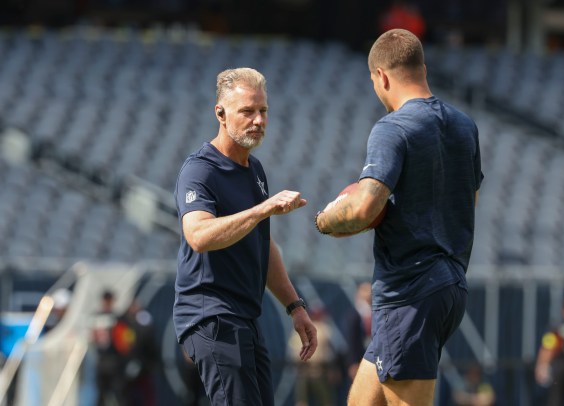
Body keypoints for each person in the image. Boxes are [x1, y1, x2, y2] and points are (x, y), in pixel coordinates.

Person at [314, 28, 483, 406]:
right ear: (422, 68)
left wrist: (324, 219)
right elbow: (467, 202)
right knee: (360, 402)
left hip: (410, 291)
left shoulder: (392, 128)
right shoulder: (464, 126)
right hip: (449, 284)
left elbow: (362, 208)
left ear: (382, 77)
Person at [173, 67, 318, 406]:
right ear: (220, 114)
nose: (258, 120)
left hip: (244, 318)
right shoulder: (199, 170)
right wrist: (261, 210)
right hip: (211, 316)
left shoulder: (255, 171)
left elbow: (263, 245)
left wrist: (295, 307)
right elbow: (198, 235)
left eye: (263, 111)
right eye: (247, 111)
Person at [344, 281, 372, 384]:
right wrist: (353, 362)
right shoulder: (354, 315)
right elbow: (351, 340)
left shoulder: (375, 312)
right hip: (359, 358)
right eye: (365, 290)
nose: (369, 293)